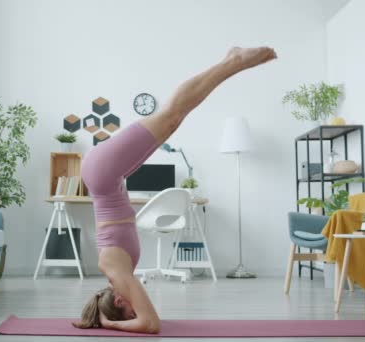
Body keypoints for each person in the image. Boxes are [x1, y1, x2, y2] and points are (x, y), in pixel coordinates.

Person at [73, 47, 277, 334]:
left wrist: (109, 324)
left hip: (102, 174)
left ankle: (233, 62)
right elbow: (146, 319)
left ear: (119, 301)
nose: (137, 310)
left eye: (128, 311)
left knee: (171, 114)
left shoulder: (117, 275)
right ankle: (231, 62)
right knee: (174, 120)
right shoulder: (120, 275)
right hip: (108, 176)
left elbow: (150, 324)